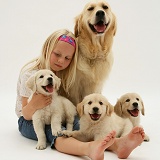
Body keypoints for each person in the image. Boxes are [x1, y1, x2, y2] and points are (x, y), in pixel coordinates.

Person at [15, 29, 145, 160]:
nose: (61, 61)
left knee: (82, 125)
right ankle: (88, 149)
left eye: (67, 58)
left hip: (57, 115)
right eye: (57, 54)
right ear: (46, 49)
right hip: (30, 121)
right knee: (55, 131)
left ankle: (118, 144)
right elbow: (25, 114)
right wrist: (34, 104)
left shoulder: (62, 73)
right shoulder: (31, 74)